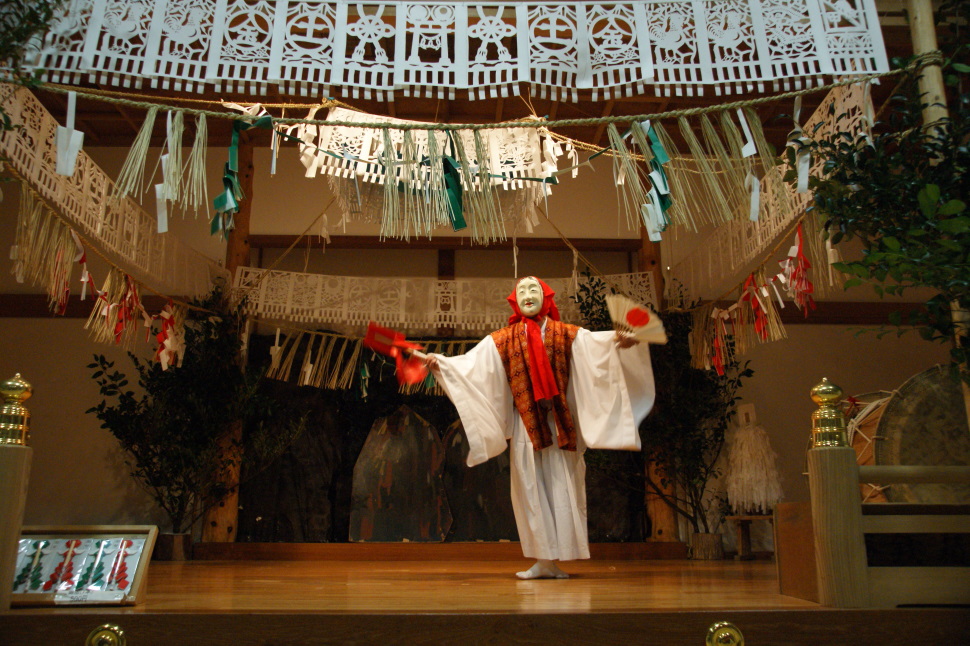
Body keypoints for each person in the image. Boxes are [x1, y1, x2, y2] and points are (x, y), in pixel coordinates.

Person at [425, 276, 657, 579]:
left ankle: (557, 558)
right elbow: (472, 365)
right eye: (521, 290)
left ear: (546, 298)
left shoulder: (565, 334)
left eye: (533, 289)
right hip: (527, 423)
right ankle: (543, 561)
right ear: (514, 300)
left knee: (562, 485)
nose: (527, 294)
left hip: (560, 423)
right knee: (531, 489)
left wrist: (619, 340)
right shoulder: (504, 339)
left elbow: (595, 346)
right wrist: (442, 364)